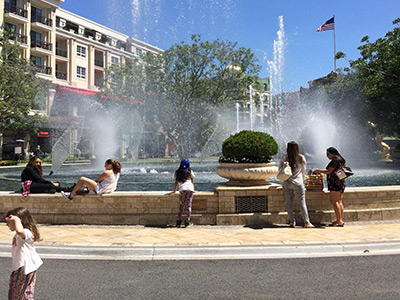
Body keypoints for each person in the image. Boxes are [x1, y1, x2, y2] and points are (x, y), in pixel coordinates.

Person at [6, 207, 43, 300]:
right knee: (15, 293)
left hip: (25, 268)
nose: (7, 224)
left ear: (20, 221)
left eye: (9, 221)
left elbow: (20, 231)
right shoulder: (18, 235)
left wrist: (16, 219)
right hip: (19, 268)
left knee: (23, 295)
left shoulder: (27, 233)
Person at [278, 141, 315, 228]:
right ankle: (307, 222)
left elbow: (280, 169)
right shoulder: (301, 157)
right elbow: (303, 170)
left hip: (286, 182)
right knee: (302, 203)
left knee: (289, 203)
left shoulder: (284, 158)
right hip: (297, 182)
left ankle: (292, 222)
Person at [314, 147, 346, 227]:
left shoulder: (334, 161)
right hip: (341, 182)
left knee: (334, 201)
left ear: (332, 153)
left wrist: (318, 171)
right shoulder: (341, 160)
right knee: (339, 201)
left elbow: (329, 171)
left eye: (327, 154)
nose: (326, 156)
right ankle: (340, 220)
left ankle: (339, 221)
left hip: (335, 183)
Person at [171, 158, 195, 228]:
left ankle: (178, 221)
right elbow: (192, 180)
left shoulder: (177, 172)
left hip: (182, 189)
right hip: (190, 189)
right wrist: (194, 189)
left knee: (181, 205)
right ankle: (187, 222)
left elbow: (176, 182)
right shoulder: (190, 171)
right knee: (188, 205)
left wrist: (174, 191)